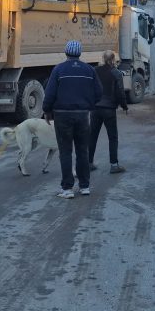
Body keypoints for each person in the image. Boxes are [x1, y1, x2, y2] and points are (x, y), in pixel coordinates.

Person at [43, 40, 103, 198]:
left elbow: (50, 94)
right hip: (83, 115)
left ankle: (67, 189)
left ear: (66, 53)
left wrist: (47, 111)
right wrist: (88, 105)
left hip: (62, 115)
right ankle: (84, 186)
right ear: (80, 53)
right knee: (83, 151)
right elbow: (99, 92)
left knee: (65, 152)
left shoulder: (58, 70)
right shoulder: (89, 70)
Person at [88, 50, 128, 174]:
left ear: (103, 59)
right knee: (113, 137)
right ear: (113, 60)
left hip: (95, 108)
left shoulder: (95, 71)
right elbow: (120, 92)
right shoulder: (116, 73)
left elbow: (90, 88)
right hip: (109, 109)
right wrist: (124, 106)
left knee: (92, 136)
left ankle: (89, 163)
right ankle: (114, 165)